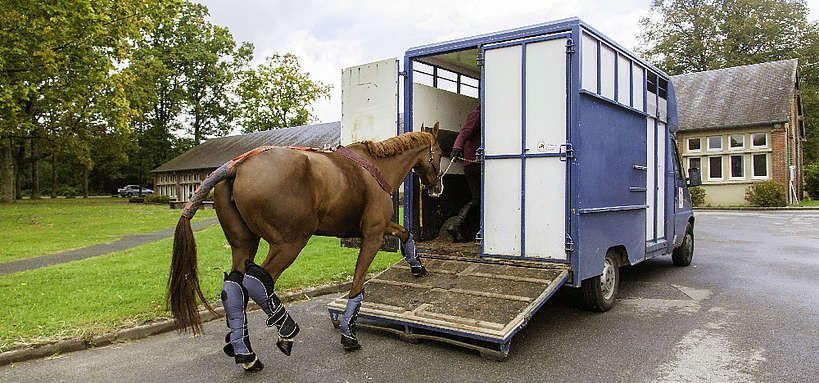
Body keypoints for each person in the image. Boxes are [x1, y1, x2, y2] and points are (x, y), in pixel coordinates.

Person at [447, 105, 481, 242]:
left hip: (472, 163)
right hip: (476, 162)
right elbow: (465, 132)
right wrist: (456, 147)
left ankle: (456, 226)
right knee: (485, 199)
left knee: (477, 198)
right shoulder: (478, 114)